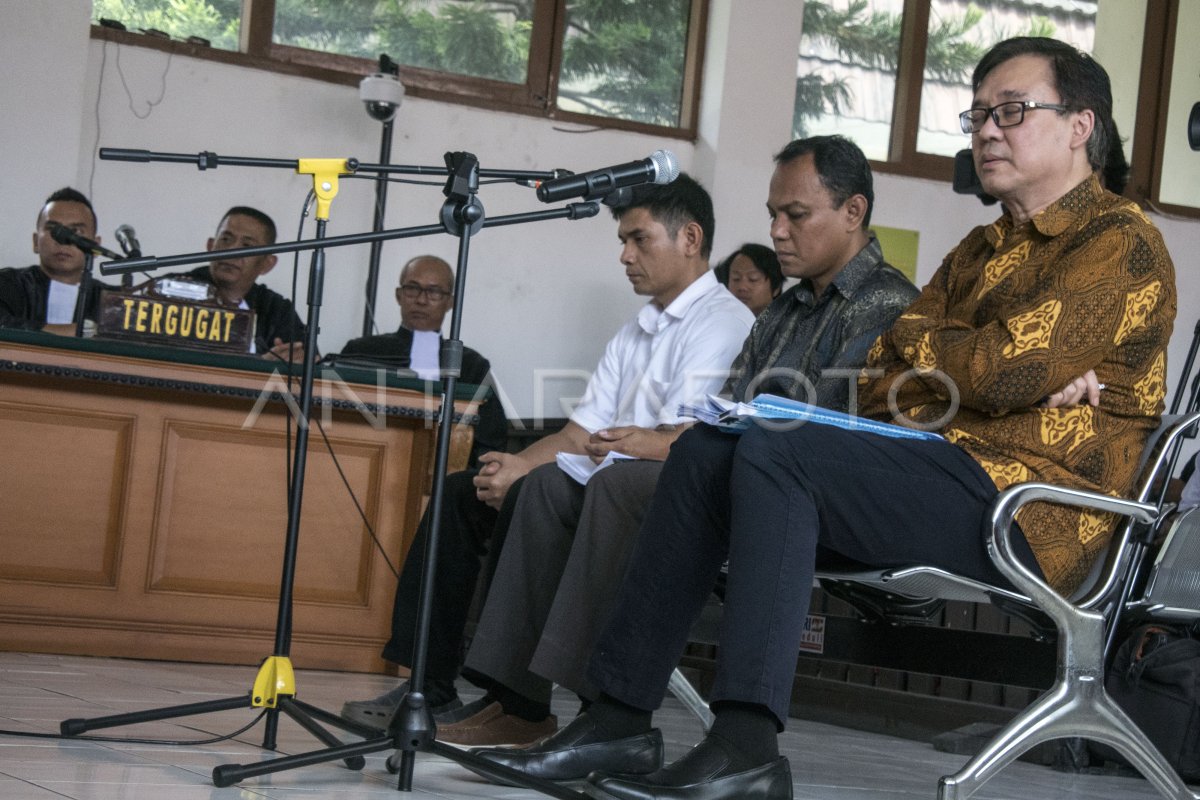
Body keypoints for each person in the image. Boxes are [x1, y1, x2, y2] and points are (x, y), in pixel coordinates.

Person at [469, 37, 1177, 800]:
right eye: (977, 116)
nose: (986, 131)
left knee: (781, 449)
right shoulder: (979, 249)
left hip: (1033, 508)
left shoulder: (1121, 242)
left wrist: (959, 363)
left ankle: (745, 747)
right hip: (938, 472)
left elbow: (996, 366)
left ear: (1081, 126)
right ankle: (617, 721)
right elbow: (884, 378)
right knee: (709, 449)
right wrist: (989, 372)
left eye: (1011, 111)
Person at [446, 135, 918, 748]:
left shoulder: (887, 302)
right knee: (547, 490)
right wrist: (680, 439)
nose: (776, 231)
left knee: (622, 485)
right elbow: (728, 406)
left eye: (794, 215)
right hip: (741, 471)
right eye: (773, 214)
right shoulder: (785, 309)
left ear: (853, 212)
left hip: (803, 493)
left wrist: (664, 443)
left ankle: (610, 712)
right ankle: (520, 702)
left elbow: (822, 427)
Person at [339, 174, 755, 735]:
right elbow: (579, 431)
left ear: (689, 238)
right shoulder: (638, 329)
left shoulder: (723, 322)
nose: (624, 256)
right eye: (622, 241)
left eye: (638, 240)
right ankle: (432, 686)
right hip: (600, 479)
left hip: (653, 499)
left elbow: (674, 442)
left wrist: (546, 470)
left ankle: (536, 707)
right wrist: (514, 465)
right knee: (467, 490)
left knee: (545, 488)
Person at [334, 254, 506, 464]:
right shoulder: (361, 350)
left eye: (433, 292)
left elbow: (491, 439)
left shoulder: (470, 364)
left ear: (450, 301)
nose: (421, 300)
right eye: (412, 289)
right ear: (399, 295)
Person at [182, 206, 307, 361]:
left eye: (247, 246)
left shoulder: (277, 310)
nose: (232, 250)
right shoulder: (172, 290)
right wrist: (261, 367)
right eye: (226, 240)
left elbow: (310, 362)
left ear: (267, 264)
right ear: (210, 246)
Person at [0, 188, 114, 333]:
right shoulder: (7, 284)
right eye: (54, 230)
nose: (63, 240)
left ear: (95, 247)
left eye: (76, 232)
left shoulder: (112, 301)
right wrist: (74, 333)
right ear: (36, 242)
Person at [713, 243, 783, 315]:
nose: (742, 287)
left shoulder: (787, 323)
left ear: (776, 288)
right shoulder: (717, 318)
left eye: (753, 279)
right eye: (736, 279)